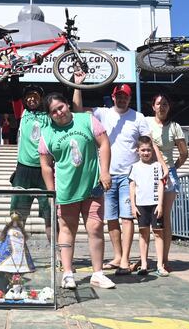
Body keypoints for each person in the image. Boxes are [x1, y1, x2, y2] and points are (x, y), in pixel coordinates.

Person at [72, 81, 161, 275]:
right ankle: (118, 256)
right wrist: (77, 86)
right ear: (113, 97)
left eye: (126, 96)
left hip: (129, 177)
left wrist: (160, 166)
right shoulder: (103, 113)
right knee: (111, 219)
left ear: (130, 98)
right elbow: (78, 111)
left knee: (127, 218)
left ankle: (126, 260)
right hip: (107, 175)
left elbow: (149, 144)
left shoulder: (137, 117)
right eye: (119, 95)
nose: (122, 99)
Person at [38, 92, 115, 290]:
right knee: (66, 230)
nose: (59, 113)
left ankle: (97, 273)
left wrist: (105, 171)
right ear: (49, 115)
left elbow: (104, 143)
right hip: (66, 190)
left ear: (67, 105)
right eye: (53, 111)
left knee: (96, 228)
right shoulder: (47, 133)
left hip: (92, 185)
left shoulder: (87, 120)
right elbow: (46, 165)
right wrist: (51, 193)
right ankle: (68, 273)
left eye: (60, 107)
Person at [146, 92, 189, 273]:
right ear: (153, 106)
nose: (161, 107)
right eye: (158, 104)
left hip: (167, 173)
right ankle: (145, 259)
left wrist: (172, 168)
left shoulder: (175, 127)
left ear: (168, 107)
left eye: (165, 104)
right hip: (148, 172)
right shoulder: (146, 122)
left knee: (165, 217)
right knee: (147, 216)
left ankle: (164, 259)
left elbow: (184, 152)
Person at [9, 83, 52, 240]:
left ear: (41, 98)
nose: (31, 98)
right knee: (18, 216)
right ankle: (15, 254)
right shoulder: (22, 112)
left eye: (35, 95)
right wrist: (12, 74)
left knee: (50, 217)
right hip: (23, 170)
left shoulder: (48, 114)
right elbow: (14, 93)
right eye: (28, 96)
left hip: (44, 170)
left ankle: (58, 257)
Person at [128, 136, 167, 276]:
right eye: (143, 150)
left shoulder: (157, 166)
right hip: (141, 205)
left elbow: (161, 186)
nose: (146, 153)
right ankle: (143, 263)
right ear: (138, 151)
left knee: (158, 233)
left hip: (155, 205)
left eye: (148, 150)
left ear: (153, 151)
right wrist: (133, 206)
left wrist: (160, 204)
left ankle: (160, 265)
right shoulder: (134, 167)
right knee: (143, 234)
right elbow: (132, 187)